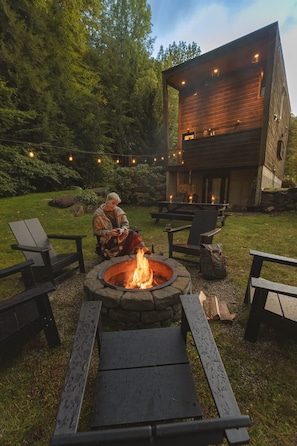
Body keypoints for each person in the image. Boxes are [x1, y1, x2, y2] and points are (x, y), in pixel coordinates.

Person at [93, 192, 149, 258]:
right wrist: (109, 232)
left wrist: (122, 229)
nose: (114, 206)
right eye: (113, 203)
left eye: (116, 204)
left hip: (121, 234)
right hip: (108, 238)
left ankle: (143, 254)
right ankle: (126, 256)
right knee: (123, 242)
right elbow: (97, 231)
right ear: (107, 200)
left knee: (134, 235)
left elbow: (125, 224)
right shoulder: (98, 215)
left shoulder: (118, 210)